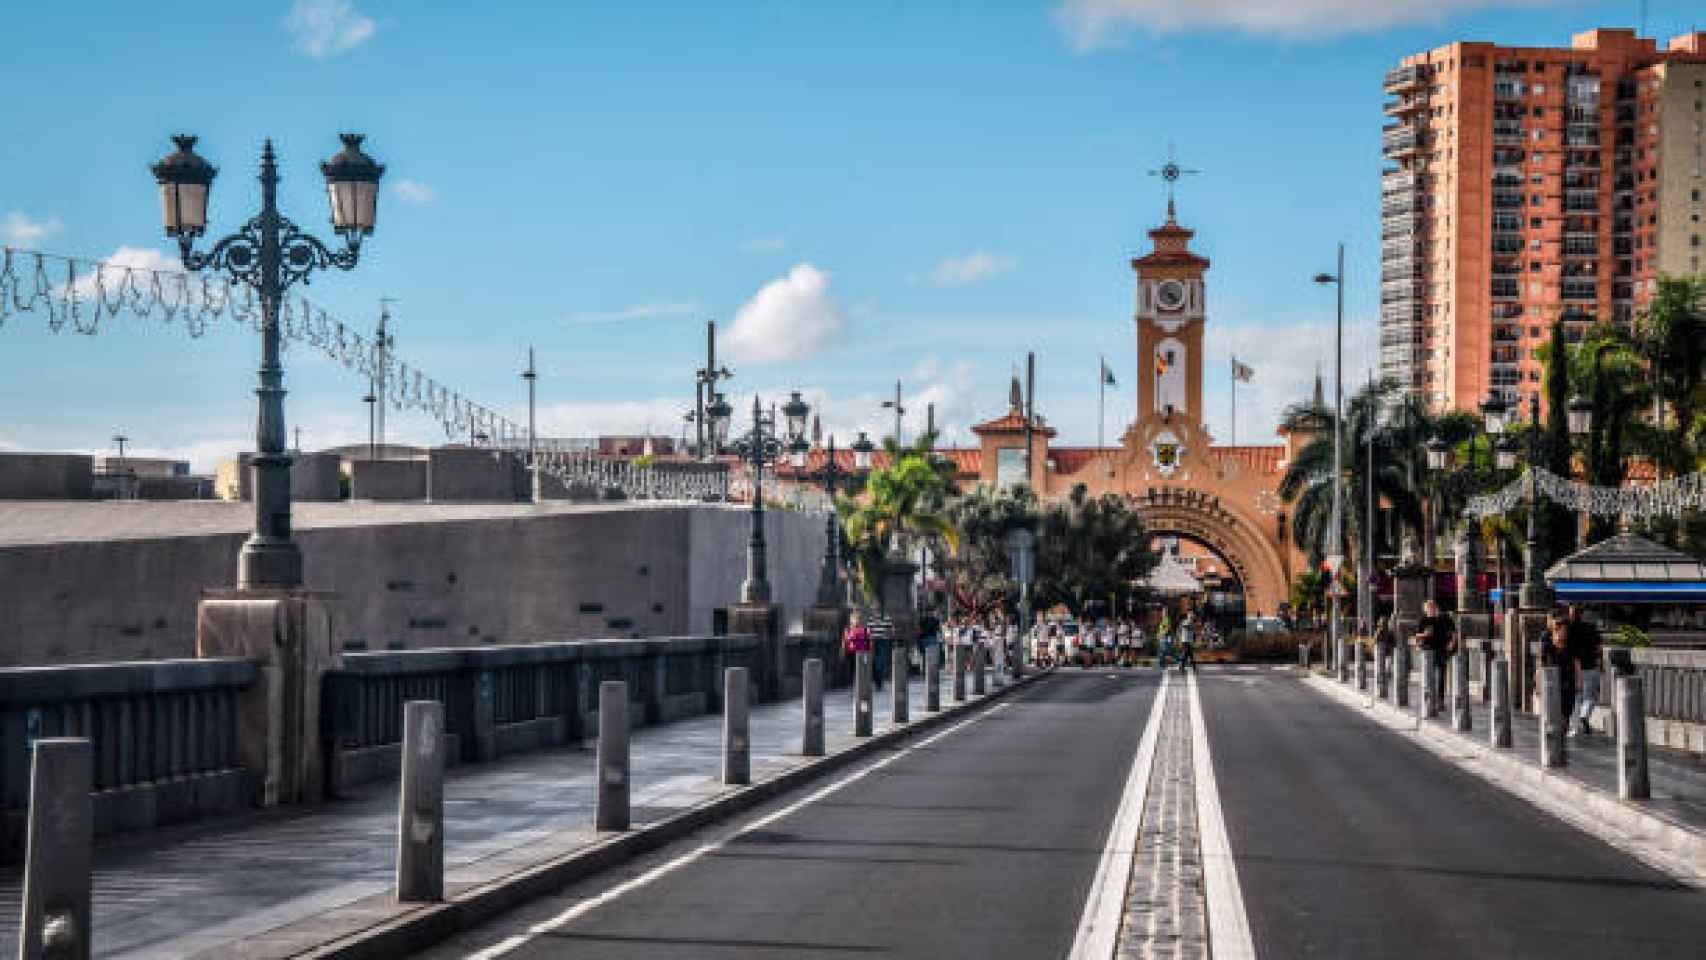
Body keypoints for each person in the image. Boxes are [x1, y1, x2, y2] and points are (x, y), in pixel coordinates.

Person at [1567, 605, 1603, 737]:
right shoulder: (1591, 628)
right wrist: (1600, 663)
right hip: (1591, 666)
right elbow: (1599, 649)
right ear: (1582, 615)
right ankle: (1584, 716)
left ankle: (1574, 727)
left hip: (1574, 667)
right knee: (1591, 696)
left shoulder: (1568, 630)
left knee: (1576, 697)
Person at [1413, 599, 1456, 706]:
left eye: (1432, 607)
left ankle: (1440, 699)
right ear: (1426, 609)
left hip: (1441, 649)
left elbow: (1454, 632)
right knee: (1429, 675)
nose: (1431, 609)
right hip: (1428, 650)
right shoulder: (1423, 620)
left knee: (1441, 675)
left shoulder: (1443, 618)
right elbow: (1417, 635)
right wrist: (1424, 634)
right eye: (1429, 608)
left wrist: (1451, 643)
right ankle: (1429, 698)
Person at [1543, 612, 1577, 728]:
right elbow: (1541, 663)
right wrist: (1538, 681)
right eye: (1562, 630)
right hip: (1553, 680)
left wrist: (1579, 681)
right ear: (1556, 630)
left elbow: (1576, 662)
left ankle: (1564, 726)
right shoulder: (1548, 644)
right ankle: (1558, 728)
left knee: (1568, 706)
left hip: (1568, 679)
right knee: (1556, 707)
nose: (1564, 632)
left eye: (1566, 630)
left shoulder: (1570, 644)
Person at [843, 611, 872, 683]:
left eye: (857, 619)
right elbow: (846, 641)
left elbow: (868, 641)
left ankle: (859, 683)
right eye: (854, 619)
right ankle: (854, 682)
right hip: (852, 651)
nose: (856, 621)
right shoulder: (849, 629)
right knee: (853, 668)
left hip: (861, 652)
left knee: (859, 668)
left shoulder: (863, 630)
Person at [869, 612, 894, 691]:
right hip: (875, 642)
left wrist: (887, 636)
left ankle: (879, 681)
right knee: (876, 662)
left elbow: (891, 630)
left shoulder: (886, 618)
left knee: (881, 661)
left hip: (883, 641)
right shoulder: (871, 618)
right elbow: (869, 631)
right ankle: (878, 681)